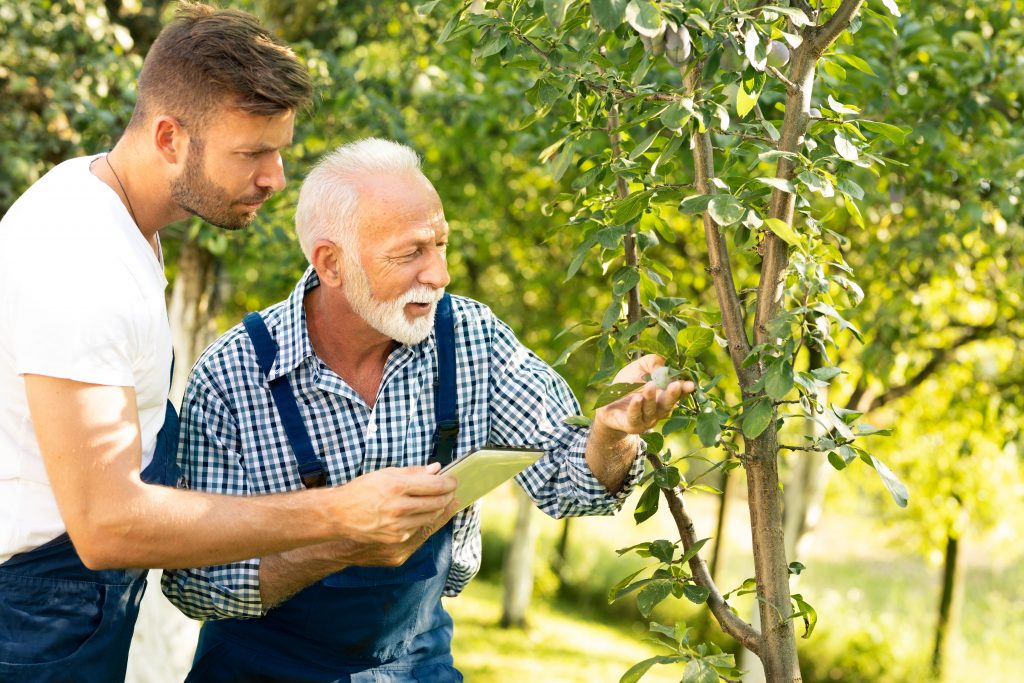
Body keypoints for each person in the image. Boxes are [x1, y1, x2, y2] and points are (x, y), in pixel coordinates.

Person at [0, 7, 453, 683]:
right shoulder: (81, 262)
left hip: (65, 606)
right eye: (251, 154)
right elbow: (107, 525)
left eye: (280, 150)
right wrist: (339, 511)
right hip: (34, 619)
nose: (275, 177)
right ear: (170, 138)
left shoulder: (113, 217)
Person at [163, 138, 695, 682]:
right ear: (332, 263)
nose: (439, 274)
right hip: (260, 667)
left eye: (440, 244)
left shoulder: (471, 338)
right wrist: (341, 546)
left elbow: (570, 483)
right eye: (411, 252)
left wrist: (612, 431)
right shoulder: (233, 373)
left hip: (413, 663)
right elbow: (197, 585)